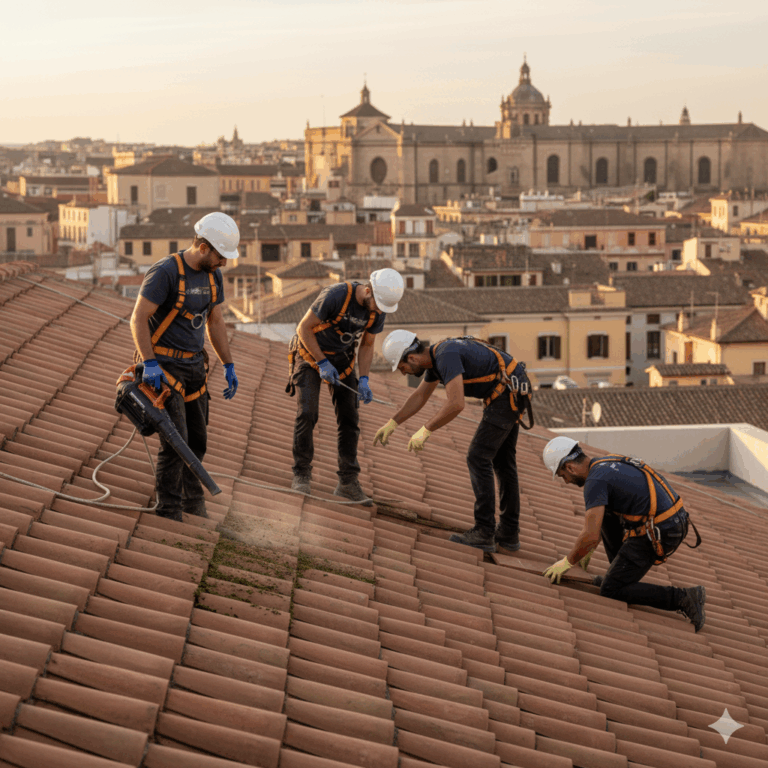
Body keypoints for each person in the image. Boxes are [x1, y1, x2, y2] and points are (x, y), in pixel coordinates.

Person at [374, 332, 533, 553]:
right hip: (511, 389)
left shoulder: (445, 355)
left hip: (508, 394)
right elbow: (420, 396)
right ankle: (508, 533)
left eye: (401, 367)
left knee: (478, 457)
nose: (403, 373)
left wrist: (426, 430)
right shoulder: (438, 358)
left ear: (411, 358)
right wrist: (393, 423)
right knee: (503, 463)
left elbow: (456, 404)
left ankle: (485, 532)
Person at [130, 212, 240, 521]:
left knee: (197, 440)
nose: (225, 263)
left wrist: (228, 364)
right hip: (164, 368)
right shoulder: (165, 272)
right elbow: (138, 318)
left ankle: (194, 504)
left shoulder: (212, 276)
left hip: (194, 369)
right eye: (221, 256)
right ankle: (169, 509)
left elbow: (215, 321)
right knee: (176, 442)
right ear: (204, 247)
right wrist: (149, 363)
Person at [541, 436, 706, 631]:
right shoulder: (605, 463)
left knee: (611, 589)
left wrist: (568, 562)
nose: (566, 481)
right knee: (607, 513)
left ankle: (684, 598)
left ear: (570, 467)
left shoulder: (595, 481)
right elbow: (599, 524)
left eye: (562, 475)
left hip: (663, 530)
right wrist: (588, 547)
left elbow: (590, 535)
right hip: (671, 520)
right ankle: (619, 573)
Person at [287, 269, 404, 505]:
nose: (379, 312)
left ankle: (348, 482)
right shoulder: (336, 295)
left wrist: (364, 379)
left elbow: (368, 345)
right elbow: (304, 329)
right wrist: (321, 362)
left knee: (350, 419)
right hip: (310, 355)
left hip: (343, 361)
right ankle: (301, 474)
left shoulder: (378, 311)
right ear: (368, 291)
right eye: (378, 305)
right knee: (308, 413)